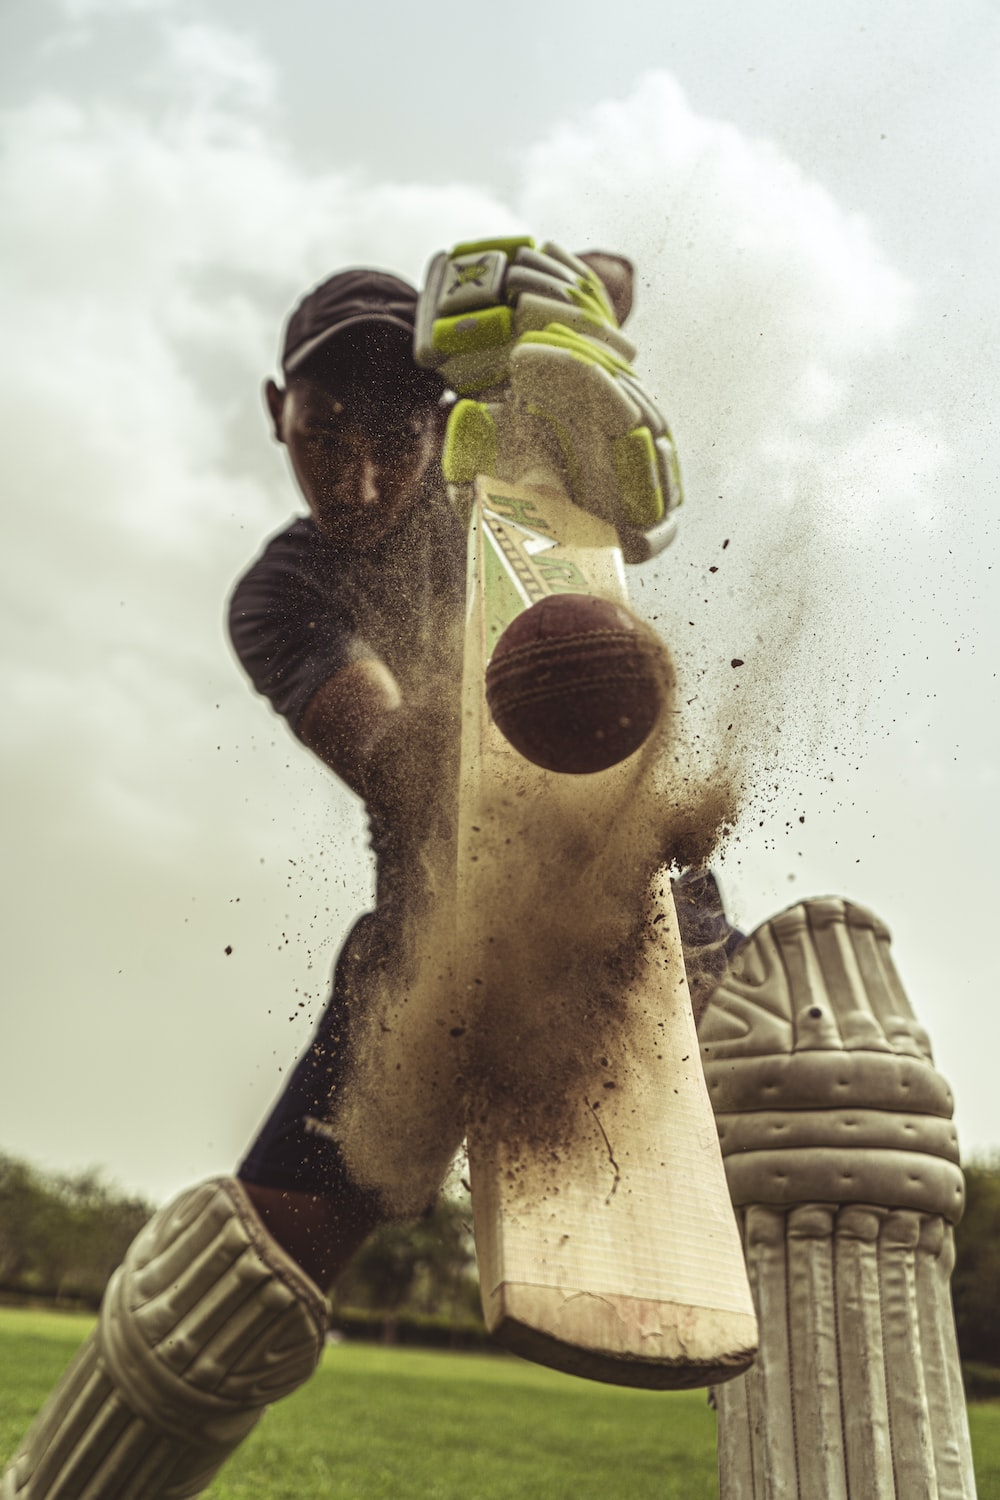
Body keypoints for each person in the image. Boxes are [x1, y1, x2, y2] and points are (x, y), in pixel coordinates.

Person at [3, 237, 698, 1499]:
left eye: (395, 433)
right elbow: (386, 751)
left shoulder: (513, 501)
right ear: (278, 413)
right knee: (221, 1295)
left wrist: (577, 297)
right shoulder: (283, 590)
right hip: (425, 956)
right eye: (323, 433)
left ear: (447, 413)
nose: (361, 474)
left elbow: (604, 281)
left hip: (642, 912)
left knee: (841, 1134)